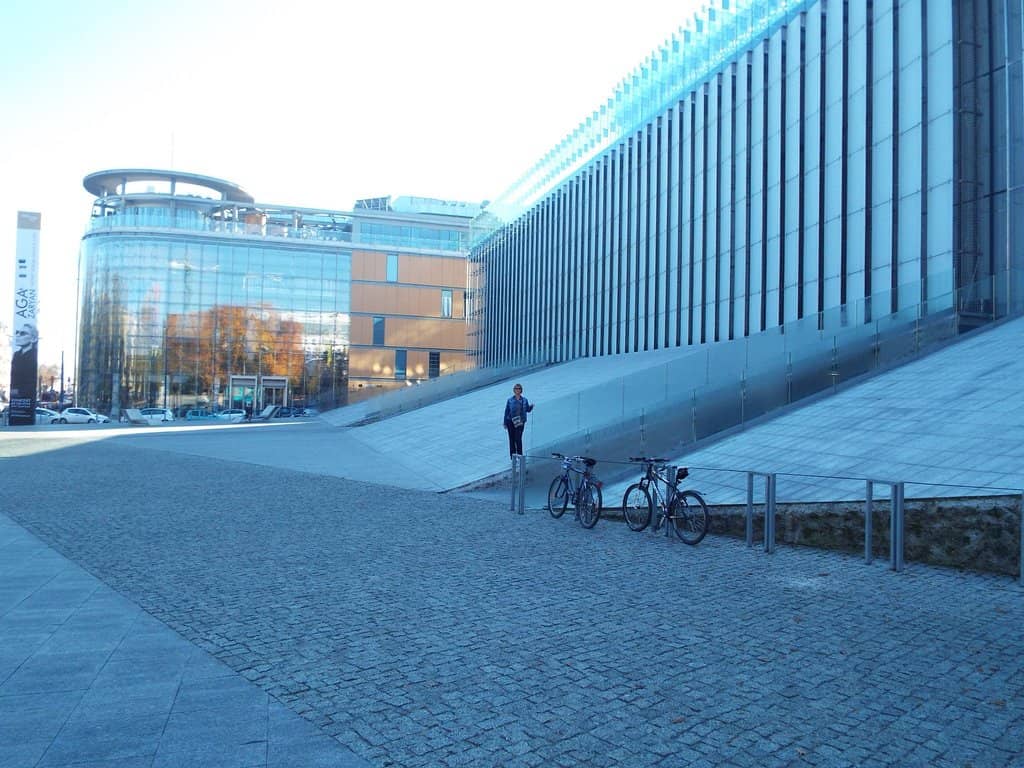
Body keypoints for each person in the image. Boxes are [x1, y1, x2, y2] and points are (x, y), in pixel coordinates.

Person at [503, 383, 534, 458]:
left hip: (520, 422)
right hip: (511, 421)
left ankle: (520, 455)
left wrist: (531, 407)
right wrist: (505, 422)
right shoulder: (510, 400)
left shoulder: (524, 400)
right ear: (514, 390)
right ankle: (513, 457)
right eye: (516, 388)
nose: (517, 390)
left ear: (521, 390)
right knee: (512, 439)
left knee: (518, 439)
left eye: (519, 388)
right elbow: (507, 411)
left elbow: (527, 410)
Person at [9, 322, 39, 399]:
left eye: (23, 333)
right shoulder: (16, 355)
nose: (18, 335)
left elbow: (29, 383)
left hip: (24, 396)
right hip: (16, 397)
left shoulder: (33, 356)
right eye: (17, 332)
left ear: (33, 339)